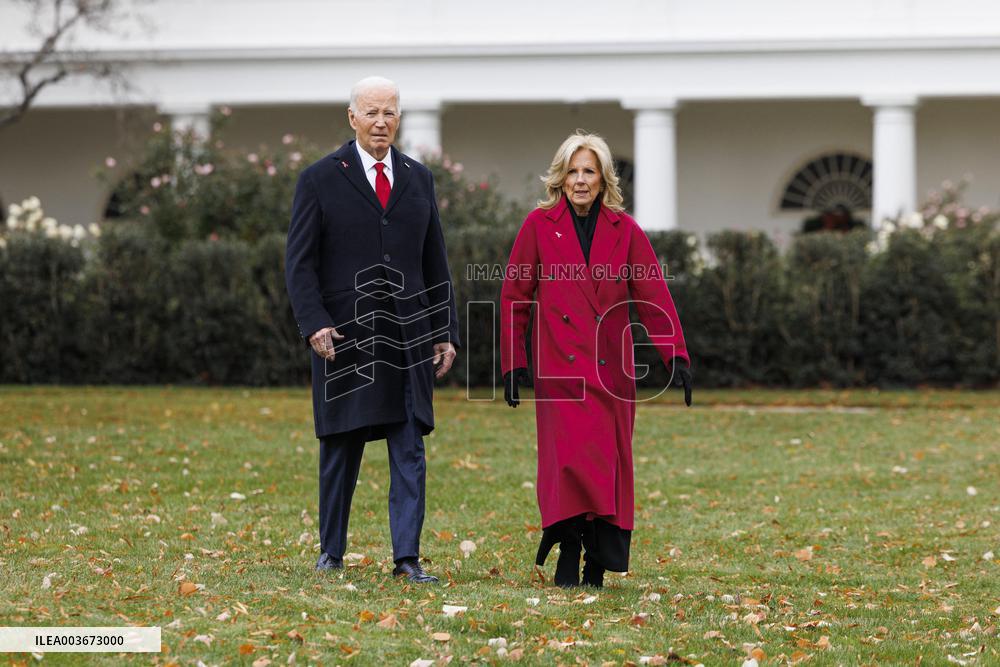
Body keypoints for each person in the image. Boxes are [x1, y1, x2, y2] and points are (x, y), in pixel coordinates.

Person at [285, 76, 459, 584]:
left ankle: (407, 558)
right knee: (341, 446)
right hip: (345, 338)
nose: (381, 122)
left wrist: (444, 329)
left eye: (389, 113)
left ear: (399, 118)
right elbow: (299, 263)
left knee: (409, 445)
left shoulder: (419, 179)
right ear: (352, 117)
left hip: (408, 337)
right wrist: (315, 323)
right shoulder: (319, 179)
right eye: (371, 112)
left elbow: (435, 260)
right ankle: (331, 552)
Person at [500, 131, 692, 588]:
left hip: (610, 370)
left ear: (604, 179)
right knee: (567, 463)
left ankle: (598, 561)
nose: (580, 180)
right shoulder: (538, 225)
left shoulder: (625, 230)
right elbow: (515, 295)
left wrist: (676, 354)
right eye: (573, 171)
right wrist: (512, 361)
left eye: (589, 171)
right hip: (559, 368)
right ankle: (568, 548)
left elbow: (652, 295)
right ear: (560, 178)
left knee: (606, 464)